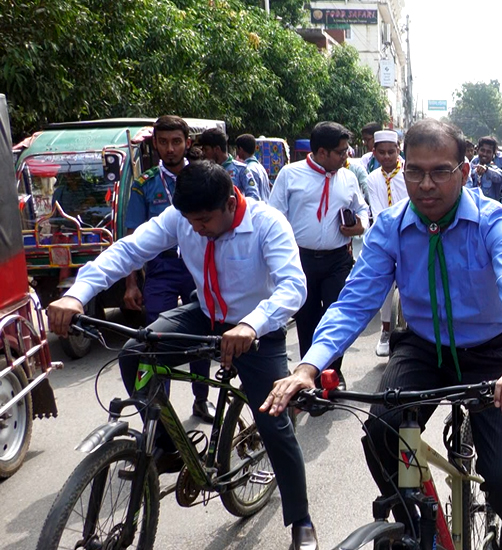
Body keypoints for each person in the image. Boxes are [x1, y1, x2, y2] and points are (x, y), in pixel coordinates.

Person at [261, 118, 502, 550]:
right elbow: (355, 300)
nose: (425, 184)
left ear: (464, 172)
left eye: (440, 171)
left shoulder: (495, 221)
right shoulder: (391, 226)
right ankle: (416, 524)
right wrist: (308, 367)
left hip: (495, 354)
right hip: (424, 347)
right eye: (414, 171)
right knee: (381, 432)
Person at [47, 161, 319, 549]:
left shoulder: (267, 222)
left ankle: (301, 520)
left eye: (205, 220)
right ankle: (170, 447)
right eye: (190, 222)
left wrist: (251, 325)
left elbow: (293, 287)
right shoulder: (181, 217)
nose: (197, 229)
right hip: (205, 315)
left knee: (274, 421)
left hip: (258, 330)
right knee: (134, 354)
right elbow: (129, 250)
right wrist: (78, 293)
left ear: (230, 202)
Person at [122, 115, 215, 423]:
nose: (170, 148)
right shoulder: (144, 184)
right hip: (160, 268)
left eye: (176, 141)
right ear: (155, 144)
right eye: (163, 142)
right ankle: (160, 417)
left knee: (200, 337)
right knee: (154, 340)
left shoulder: (205, 177)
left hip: (196, 265)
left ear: (187, 143)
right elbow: (132, 237)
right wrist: (130, 284)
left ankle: (202, 400)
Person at [269, 122, 369, 390]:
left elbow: (362, 210)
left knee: (337, 314)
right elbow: (274, 217)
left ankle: (334, 374)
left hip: (338, 259)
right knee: (307, 318)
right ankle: (309, 375)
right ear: (322, 152)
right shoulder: (290, 175)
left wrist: (359, 226)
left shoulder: (348, 177)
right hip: (300, 260)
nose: (346, 156)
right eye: (341, 152)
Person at [365, 130, 408, 356]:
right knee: (385, 284)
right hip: (385, 234)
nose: (387, 157)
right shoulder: (372, 178)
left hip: (410, 232)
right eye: (381, 152)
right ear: (374, 152)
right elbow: (378, 210)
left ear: (399, 150)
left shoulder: (409, 173)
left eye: (391, 152)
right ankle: (385, 329)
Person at [197, 128, 261, 200]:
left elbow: (254, 197)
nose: (203, 154)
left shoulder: (241, 170)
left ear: (217, 149)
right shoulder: (204, 172)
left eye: (206, 150)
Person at [235, 134, 272, 201]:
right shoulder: (260, 167)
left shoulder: (248, 170)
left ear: (240, 149)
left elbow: (253, 196)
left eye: (237, 149)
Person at [469, 136, 502, 201]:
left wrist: (486, 170)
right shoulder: (471, 166)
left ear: (493, 154)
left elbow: (500, 176)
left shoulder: (494, 169)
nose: (485, 154)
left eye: (488, 152)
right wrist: (475, 171)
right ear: (477, 150)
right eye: (482, 150)